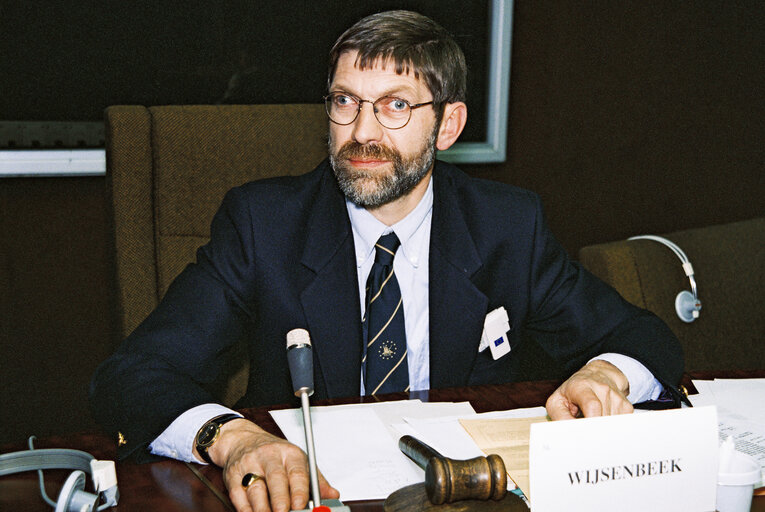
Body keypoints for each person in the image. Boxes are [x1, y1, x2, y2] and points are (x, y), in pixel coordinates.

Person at [89, 10, 685, 512]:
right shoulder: (263, 224)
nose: (362, 131)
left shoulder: (507, 225)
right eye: (346, 101)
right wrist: (234, 437)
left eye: (395, 105)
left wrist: (606, 375)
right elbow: (133, 376)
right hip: (313, 496)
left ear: (447, 124)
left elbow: (639, 336)